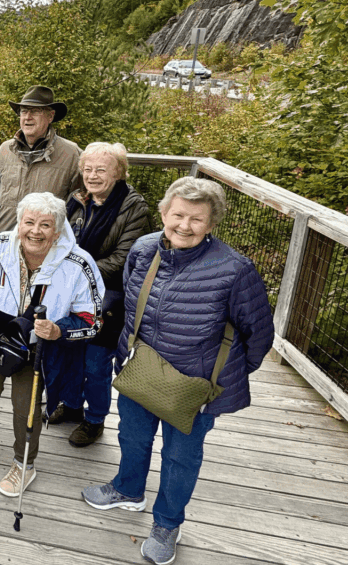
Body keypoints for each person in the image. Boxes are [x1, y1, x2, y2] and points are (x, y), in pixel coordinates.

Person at [83, 177, 273, 565]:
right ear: (164, 213)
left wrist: (224, 378)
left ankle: (168, 523)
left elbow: (259, 333)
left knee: (180, 457)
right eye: (178, 215)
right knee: (132, 437)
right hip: (140, 370)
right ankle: (127, 490)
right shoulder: (143, 248)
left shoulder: (235, 270)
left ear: (212, 223)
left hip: (194, 385)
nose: (185, 225)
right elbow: (127, 299)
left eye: (197, 219)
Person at [0, 192, 104, 497]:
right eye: (29, 222)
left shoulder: (78, 264)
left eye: (45, 225)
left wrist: (58, 330)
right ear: (19, 222)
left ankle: (24, 463)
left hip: (40, 346)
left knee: (25, 408)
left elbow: (94, 321)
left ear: (58, 230)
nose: (35, 231)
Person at [46, 142, 150, 447]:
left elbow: (125, 259)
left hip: (111, 296)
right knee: (69, 352)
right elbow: (59, 241)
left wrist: (78, 270)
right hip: (74, 291)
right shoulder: (77, 201)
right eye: (87, 169)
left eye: (101, 170)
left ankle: (95, 419)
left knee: (95, 361)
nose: (92, 176)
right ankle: (72, 405)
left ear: (118, 172)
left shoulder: (134, 207)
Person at [0, 87, 82, 233]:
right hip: (6, 241)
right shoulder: (4, 151)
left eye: (35, 111)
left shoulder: (72, 154)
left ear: (50, 116)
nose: (27, 117)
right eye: (23, 111)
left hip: (46, 245)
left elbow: (78, 206)